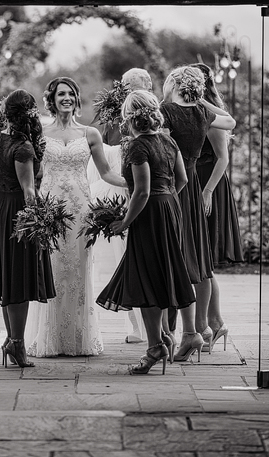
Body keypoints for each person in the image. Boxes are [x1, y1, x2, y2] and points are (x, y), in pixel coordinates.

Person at [96, 90, 199, 375]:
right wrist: (166, 200)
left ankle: (156, 345)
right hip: (169, 209)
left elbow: (140, 191)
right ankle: (161, 339)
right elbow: (182, 179)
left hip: (149, 214)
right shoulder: (169, 141)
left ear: (129, 116)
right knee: (159, 273)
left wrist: (124, 222)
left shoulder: (137, 147)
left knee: (145, 277)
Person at [25, 76, 126, 357]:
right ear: (52, 100)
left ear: (77, 98)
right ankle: (49, 338)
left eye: (70, 93)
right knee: (53, 270)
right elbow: (31, 174)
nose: (66, 98)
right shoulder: (41, 134)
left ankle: (79, 339)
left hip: (81, 211)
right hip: (50, 210)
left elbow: (106, 172)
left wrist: (131, 183)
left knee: (79, 272)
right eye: (60, 94)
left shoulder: (91, 134)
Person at [160, 65, 236, 360]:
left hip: (174, 186)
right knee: (197, 259)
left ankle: (177, 332)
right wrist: (202, 99)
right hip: (192, 187)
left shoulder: (166, 109)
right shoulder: (203, 114)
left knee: (175, 256)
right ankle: (198, 329)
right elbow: (229, 121)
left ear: (175, 84)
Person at [0, 89, 56, 368]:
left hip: (0, 206)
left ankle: (12, 340)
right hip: (19, 213)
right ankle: (17, 343)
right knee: (18, 279)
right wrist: (40, 222)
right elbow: (29, 191)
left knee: (8, 277)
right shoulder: (23, 147)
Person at [87, 68, 153, 344]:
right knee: (122, 255)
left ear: (148, 85)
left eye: (133, 86)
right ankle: (137, 325)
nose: (127, 90)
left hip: (145, 180)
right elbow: (101, 147)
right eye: (124, 86)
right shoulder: (114, 114)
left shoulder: (154, 112)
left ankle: (155, 325)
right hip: (118, 182)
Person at [191, 63, 244, 351]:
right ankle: (216, 323)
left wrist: (207, 192)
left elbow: (222, 159)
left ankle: (210, 326)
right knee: (203, 262)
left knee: (203, 261)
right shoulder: (196, 113)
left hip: (209, 185)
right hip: (195, 182)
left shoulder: (211, 114)